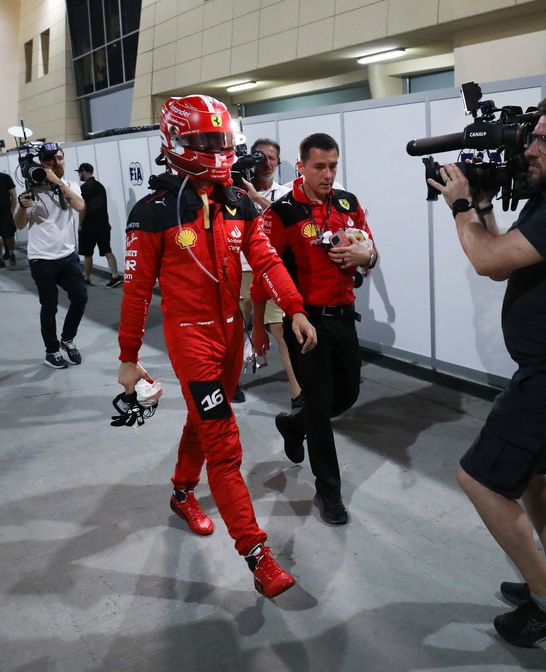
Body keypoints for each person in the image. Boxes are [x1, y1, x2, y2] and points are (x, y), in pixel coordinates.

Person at [428, 92, 546, 647]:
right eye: (532, 136)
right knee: (532, 481)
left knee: (480, 479)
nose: (529, 148)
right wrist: (484, 203)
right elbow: (498, 259)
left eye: (545, 141)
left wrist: (462, 206)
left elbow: (484, 259)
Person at [117, 95, 318, 599]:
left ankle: (182, 492)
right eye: (206, 142)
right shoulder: (152, 213)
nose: (217, 150)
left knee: (203, 421)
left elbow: (268, 261)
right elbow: (137, 293)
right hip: (191, 339)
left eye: (221, 141)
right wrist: (127, 358)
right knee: (225, 447)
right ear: (177, 141)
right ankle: (258, 555)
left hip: (230, 333)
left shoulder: (237, 201)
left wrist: (294, 307)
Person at [253, 132, 378, 527]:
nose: (328, 174)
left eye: (333, 166)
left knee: (348, 393)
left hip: (344, 316)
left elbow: (370, 250)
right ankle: (330, 491)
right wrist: (259, 327)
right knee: (322, 407)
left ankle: (294, 423)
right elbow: (263, 273)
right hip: (304, 321)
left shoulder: (348, 202)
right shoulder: (283, 211)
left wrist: (366, 256)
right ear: (301, 166)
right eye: (320, 167)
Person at [13, 143, 88, 369]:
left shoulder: (70, 185)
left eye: (61, 158)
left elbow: (80, 205)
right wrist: (21, 207)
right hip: (41, 258)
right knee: (50, 305)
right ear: (43, 163)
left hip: (67, 256)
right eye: (52, 159)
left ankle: (67, 339)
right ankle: (52, 351)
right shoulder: (31, 190)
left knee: (81, 297)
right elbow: (19, 225)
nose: (58, 162)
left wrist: (58, 182)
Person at [235, 138, 297, 405]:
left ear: (278, 162)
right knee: (235, 330)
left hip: (271, 269)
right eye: (260, 158)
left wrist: (255, 197)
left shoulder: (285, 193)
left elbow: (286, 218)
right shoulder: (233, 193)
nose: (266, 163)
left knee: (281, 330)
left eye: (271, 158)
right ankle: (231, 381)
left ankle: (298, 393)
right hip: (240, 271)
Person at [75, 162, 122, 287]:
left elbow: (82, 208)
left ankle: (86, 278)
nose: (79, 175)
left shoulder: (84, 188)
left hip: (88, 226)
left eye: (79, 172)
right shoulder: (100, 186)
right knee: (107, 250)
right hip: (103, 225)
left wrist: (80, 224)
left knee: (88, 253)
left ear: (84, 171)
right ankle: (115, 275)